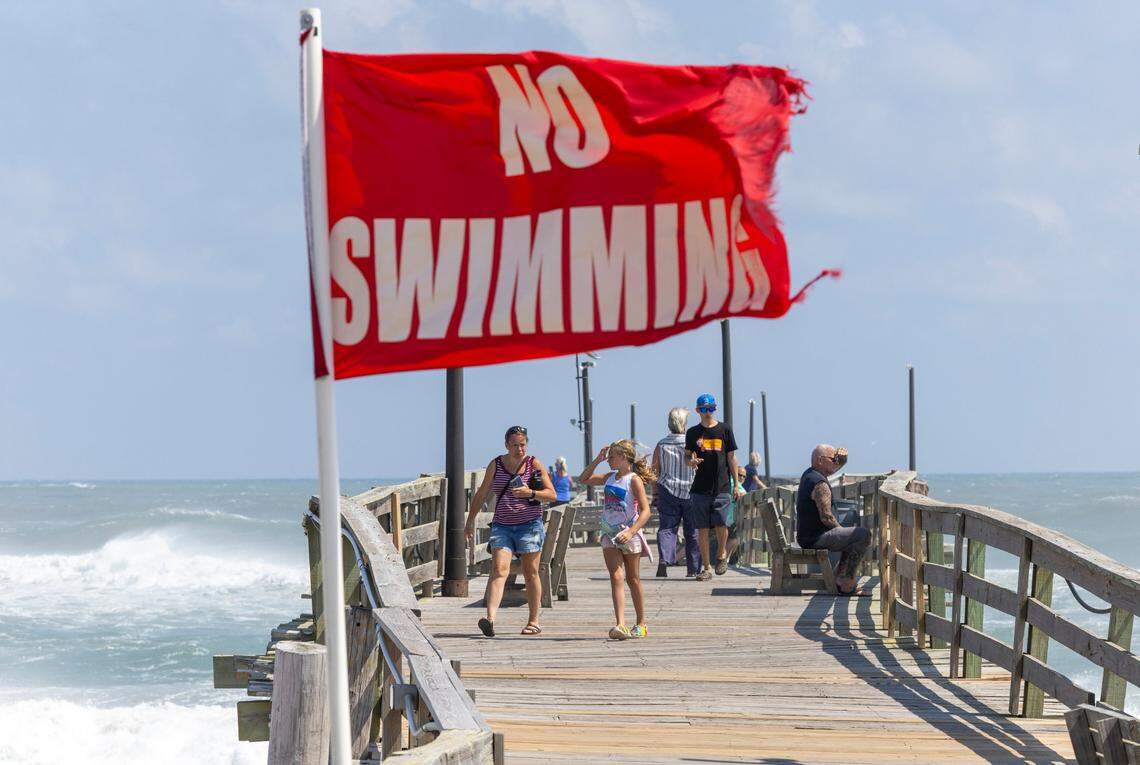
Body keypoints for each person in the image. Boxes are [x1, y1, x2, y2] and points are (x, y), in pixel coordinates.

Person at [464, 425, 557, 637]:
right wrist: (470, 521)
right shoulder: (496, 464)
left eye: (522, 445)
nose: (519, 449)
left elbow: (552, 495)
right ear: (506, 445)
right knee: (498, 569)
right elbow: (481, 493)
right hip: (502, 525)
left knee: (531, 572)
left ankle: (533, 620)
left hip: (529, 524)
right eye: (514, 445)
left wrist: (530, 492)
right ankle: (490, 619)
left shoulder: (534, 464)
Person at [578, 440, 655, 640]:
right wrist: (597, 459)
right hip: (609, 532)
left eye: (612, 456)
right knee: (616, 576)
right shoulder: (609, 477)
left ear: (624, 458)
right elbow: (584, 478)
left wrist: (631, 531)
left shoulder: (633, 479)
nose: (609, 460)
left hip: (629, 533)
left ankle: (641, 623)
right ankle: (620, 624)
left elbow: (646, 511)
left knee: (633, 578)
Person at [795, 444, 871, 597]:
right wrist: (840, 530)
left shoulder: (810, 475)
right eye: (834, 459)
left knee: (851, 536)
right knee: (863, 535)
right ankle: (846, 583)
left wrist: (843, 461)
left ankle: (840, 579)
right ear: (821, 460)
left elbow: (834, 468)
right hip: (815, 538)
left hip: (808, 536)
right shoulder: (819, 483)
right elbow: (826, 516)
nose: (836, 463)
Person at [685, 394, 744, 581]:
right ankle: (707, 568)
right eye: (703, 409)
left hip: (723, 486)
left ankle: (721, 555)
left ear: (715, 409)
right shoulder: (693, 432)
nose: (707, 412)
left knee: (721, 523)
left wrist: (736, 484)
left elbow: (731, 458)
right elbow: (687, 456)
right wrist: (691, 461)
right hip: (700, 487)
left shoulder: (724, 429)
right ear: (698, 411)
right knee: (701, 528)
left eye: (710, 408)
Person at [652, 407, 699, 578]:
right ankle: (693, 568)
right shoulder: (692, 443)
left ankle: (664, 560)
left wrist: (655, 493)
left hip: (667, 491)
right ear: (684, 424)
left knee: (667, 528)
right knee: (693, 531)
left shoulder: (661, 444)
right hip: (692, 492)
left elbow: (654, 471)